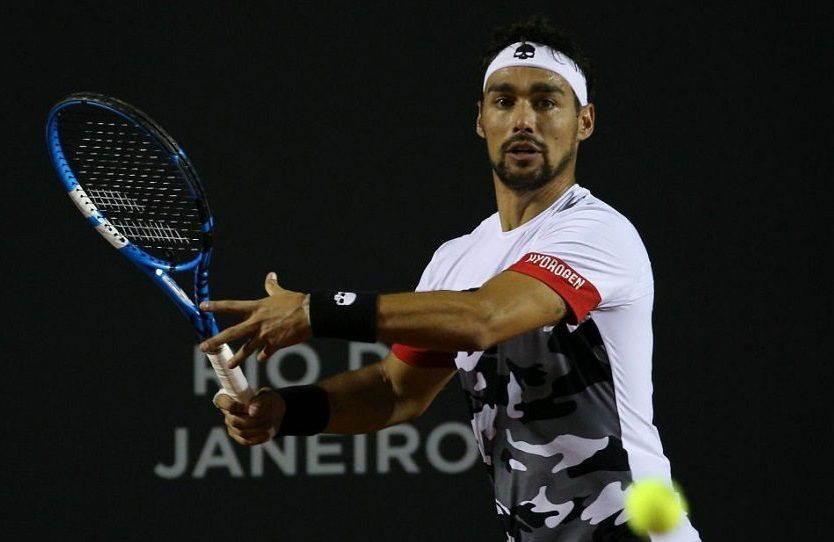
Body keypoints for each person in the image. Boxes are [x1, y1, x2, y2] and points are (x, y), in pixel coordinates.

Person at [200, 15, 701, 542]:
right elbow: (395, 391)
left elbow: (483, 319)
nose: (523, 120)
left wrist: (316, 310)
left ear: (585, 121)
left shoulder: (599, 232)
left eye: (546, 101)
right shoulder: (457, 259)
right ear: (482, 120)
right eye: (504, 101)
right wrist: (287, 410)